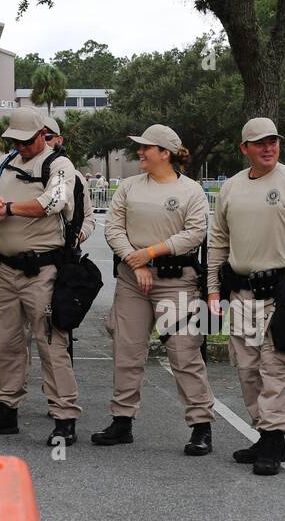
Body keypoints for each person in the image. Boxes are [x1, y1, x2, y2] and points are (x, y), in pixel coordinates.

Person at [206, 117, 285, 475]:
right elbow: (218, 241)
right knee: (247, 369)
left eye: (273, 141)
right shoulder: (230, 189)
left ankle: (274, 438)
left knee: (275, 366)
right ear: (244, 148)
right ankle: (265, 434)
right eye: (259, 142)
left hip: (283, 293)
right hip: (242, 292)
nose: (268, 147)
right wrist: (213, 290)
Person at [92, 124, 215, 454]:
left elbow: (194, 233)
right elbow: (113, 228)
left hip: (178, 282)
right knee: (126, 351)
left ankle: (201, 426)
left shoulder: (191, 191)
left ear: (166, 153)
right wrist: (138, 263)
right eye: (141, 147)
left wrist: (150, 253)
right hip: (133, 280)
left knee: (184, 353)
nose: (140, 152)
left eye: (147, 148)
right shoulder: (129, 186)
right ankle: (122, 421)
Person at [0, 108, 82, 445]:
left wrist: (10, 209)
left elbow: (54, 202)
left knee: (51, 343)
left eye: (27, 140)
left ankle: (64, 417)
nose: (22, 146)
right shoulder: (4, 165)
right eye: (15, 141)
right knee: (5, 340)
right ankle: (6, 409)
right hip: (5, 270)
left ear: (43, 135)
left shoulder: (58, 165)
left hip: (42, 272)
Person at [42, 116, 95, 243]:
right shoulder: (8, 169)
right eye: (32, 137)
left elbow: (88, 216)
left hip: (56, 258)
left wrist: (78, 235)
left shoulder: (75, 176)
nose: (41, 141)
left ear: (59, 140)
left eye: (47, 137)